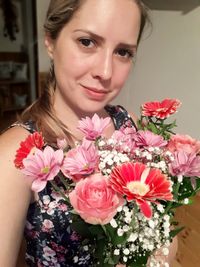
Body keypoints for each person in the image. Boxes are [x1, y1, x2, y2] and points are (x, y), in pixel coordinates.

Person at [0, 0, 177, 266]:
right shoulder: (16, 155)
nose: (105, 72)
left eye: (123, 52)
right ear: (50, 40)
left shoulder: (128, 125)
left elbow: (163, 232)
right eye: (86, 42)